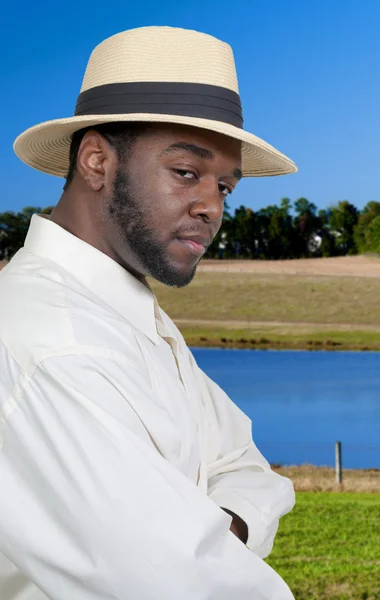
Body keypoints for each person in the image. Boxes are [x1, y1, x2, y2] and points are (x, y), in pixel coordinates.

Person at [0, 26, 298, 599]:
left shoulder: (124, 313)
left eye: (225, 188)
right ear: (95, 161)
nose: (211, 206)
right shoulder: (55, 341)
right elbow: (180, 585)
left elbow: (247, 467)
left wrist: (208, 537)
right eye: (186, 172)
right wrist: (197, 546)